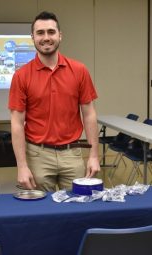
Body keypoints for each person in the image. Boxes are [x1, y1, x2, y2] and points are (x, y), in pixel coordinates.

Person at [8, 11, 100, 192]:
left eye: (51, 32)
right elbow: (17, 123)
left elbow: (89, 115)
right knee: (40, 213)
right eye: (40, 33)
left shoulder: (79, 70)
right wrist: (22, 166)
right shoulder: (21, 76)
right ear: (32, 37)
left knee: (76, 208)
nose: (46, 37)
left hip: (72, 154)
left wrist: (94, 155)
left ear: (60, 35)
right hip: (37, 155)